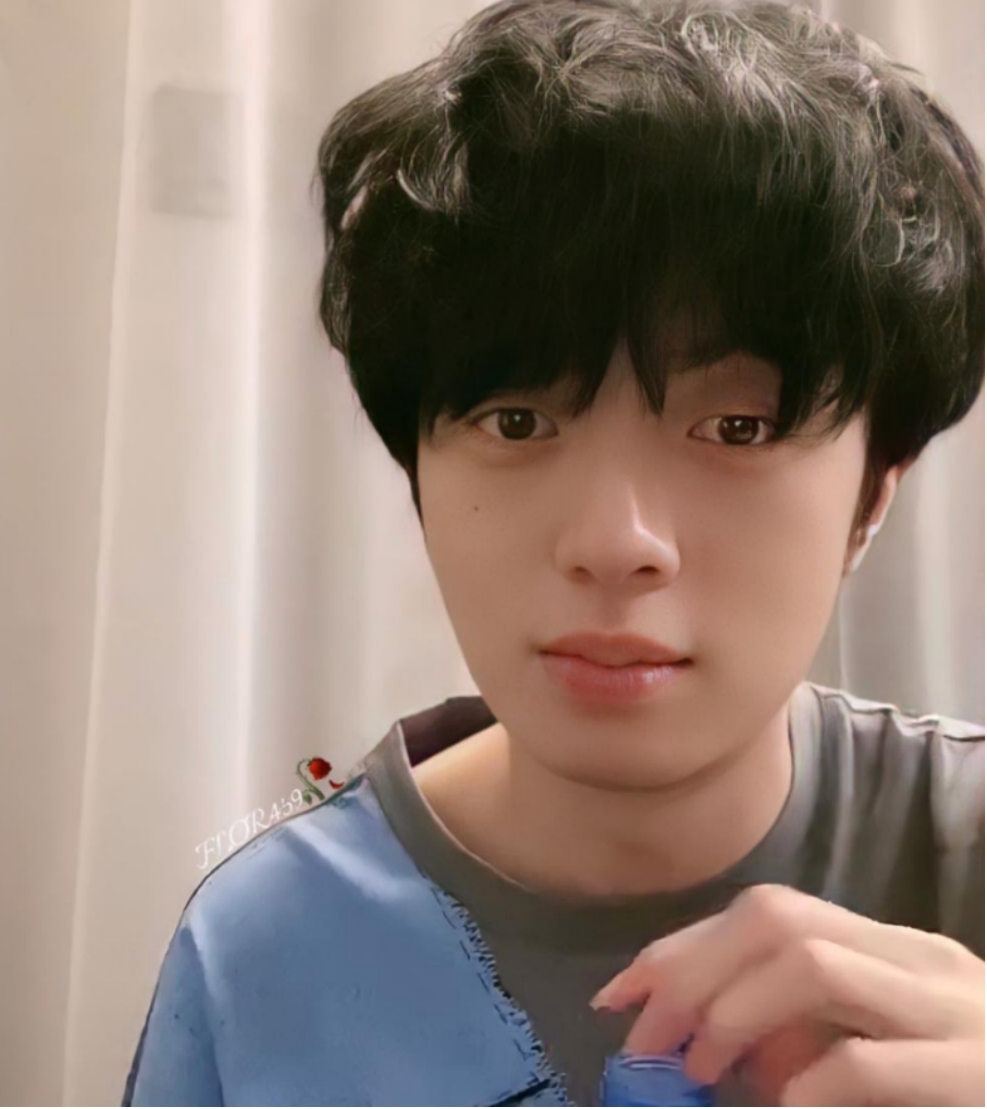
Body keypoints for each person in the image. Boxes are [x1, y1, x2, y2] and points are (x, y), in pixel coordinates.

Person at [122, 1, 985, 1104]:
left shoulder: (965, 855)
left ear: (875, 491)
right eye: (518, 420)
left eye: (737, 427)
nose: (615, 543)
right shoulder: (262, 952)